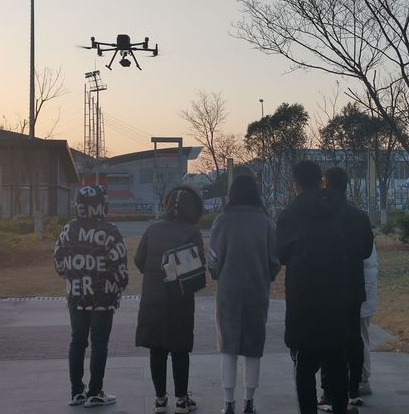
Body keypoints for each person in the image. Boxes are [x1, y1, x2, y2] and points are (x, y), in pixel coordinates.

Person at [277, 160, 355, 414]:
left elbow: (281, 254)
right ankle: (340, 408)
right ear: (320, 180)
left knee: (304, 364)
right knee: (337, 360)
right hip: (337, 292)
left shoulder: (290, 214)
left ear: (296, 184)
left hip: (303, 295)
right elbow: (355, 247)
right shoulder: (339, 209)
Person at [208, 175, 281, 414]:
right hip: (256, 291)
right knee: (253, 347)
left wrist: (217, 274)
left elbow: (213, 259)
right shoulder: (266, 222)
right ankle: (249, 402)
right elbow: (275, 261)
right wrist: (265, 276)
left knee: (228, 348)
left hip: (228, 292)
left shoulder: (222, 221)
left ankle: (228, 403)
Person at [53, 185, 129, 408]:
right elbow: (120, 267)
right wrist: (119, 285)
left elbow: (58, 261)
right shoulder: (109, 231)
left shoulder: (69, 229)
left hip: (76, 295)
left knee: (77, 341)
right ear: (101, 206)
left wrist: (73, 278)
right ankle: (95, 392)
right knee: (99, 344)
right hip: (103, 297)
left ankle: (77, 392)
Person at [135, 186, 204, 414]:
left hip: (153, 296)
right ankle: (182, 400)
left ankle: (160, 401)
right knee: (179, 349)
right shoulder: (192, 232)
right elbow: (199, 266)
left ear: (167, 205)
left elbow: (139, 260)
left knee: (157, 349)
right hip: (180, 298)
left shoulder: (152, 229)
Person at [317, 167, 373, 411]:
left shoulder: (320, 215)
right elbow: (367, 251)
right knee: (353, 338)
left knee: (328, 338)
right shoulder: (359, 216)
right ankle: (353, 389)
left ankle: (328, 392)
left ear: (326, 184)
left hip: (327, 286)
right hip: (353, 284)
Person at [359, 244, 378, 397]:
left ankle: (362, 379)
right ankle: (361, 379)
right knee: (361, 338)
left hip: (361, 295)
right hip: (365, 294)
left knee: (359, 339)